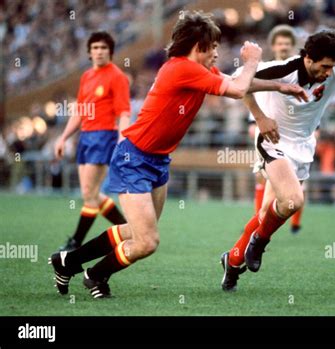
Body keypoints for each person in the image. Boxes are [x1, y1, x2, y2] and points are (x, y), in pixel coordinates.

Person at [49, 11, 308, 298]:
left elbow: (238, 83)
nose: (217, 52)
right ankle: (95, 275)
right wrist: (252, 60)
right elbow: (237, 89)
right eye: (214, 47)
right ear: (199, 47)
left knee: (135, 232)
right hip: (132, 158)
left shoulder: (198, 70)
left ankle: (67, 262)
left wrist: (279, 86)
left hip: (157, 160)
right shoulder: (182, 68)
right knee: (147, 242)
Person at [220, 30, 335, 291]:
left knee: (267, 212)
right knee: (294, 200)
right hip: (272, 139)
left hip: (303, 146)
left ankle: (233, 260)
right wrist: (260, 117)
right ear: (307, 58)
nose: (329, 73)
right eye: (324, 66)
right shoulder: (282, 69)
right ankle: (259, 241)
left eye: (332, 67)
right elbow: (239, 83)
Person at [54, 32, 130, 251]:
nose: (99, 51)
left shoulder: (117, 76)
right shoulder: (86, 76)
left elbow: (124, 113)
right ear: (89, 52)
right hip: (85, 137)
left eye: (103, 48)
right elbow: (79, 111)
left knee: (89, 193)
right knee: (92, 193)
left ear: (111, 52)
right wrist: (63, 137)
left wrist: (121, 140)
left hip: (104, 136)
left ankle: (75, 242)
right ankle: (127, 229)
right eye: (95, 47)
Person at [247, 24, 304, 234]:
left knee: (295, 184)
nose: (283, 47)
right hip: (267, 135)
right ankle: (260, 225)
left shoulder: (300, 73)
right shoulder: (266, 69)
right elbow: (246, 89)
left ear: (293, 47)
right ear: (273, 46)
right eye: (280, 43)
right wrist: (254, 123)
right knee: (262, 177)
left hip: (295, 137)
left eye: (287, 44)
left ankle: (294, 224)